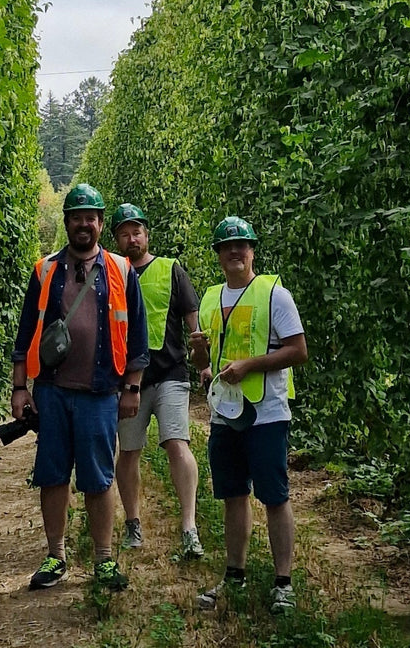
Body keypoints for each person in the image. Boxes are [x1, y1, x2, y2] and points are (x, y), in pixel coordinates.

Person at [10, 183, 149, 592]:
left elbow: (138, 335)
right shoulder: (45, 270)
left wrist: (133, 388)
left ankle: (103, 560)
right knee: (52, 475)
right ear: (68, 223)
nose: (83, 224)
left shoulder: (121, 270)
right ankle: (56, 556)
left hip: (100, 393)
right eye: (77, 217)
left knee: (98, 477)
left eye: (91, 217)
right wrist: (21, 388)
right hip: (52, 391)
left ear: (101, 224)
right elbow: (25, 334)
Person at [189, 216, 308, 614]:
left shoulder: (274, 294)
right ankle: (234, 575)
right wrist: (201, 356)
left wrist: (250, 365)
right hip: (225, 414)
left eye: (242, 245)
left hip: (267, 413)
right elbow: (205, 361)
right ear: (219, 255)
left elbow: (298, 350)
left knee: (274, 496)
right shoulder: (209, 299)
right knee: (233, 495)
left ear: (252, 250)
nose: (235, 252)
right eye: (227, 246)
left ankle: (283, 583)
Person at [111, 203, 204, 560]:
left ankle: (189, 527)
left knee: (177, 443)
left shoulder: (170, 270)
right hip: (125, 380)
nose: (132, 238)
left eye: (137, 232)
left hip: (169, 373)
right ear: (116, 238)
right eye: (124, 233)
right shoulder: (111, 273)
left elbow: (191, 319)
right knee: (129, 451)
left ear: (146, 235)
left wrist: (202, 358)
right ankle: (133, 524)